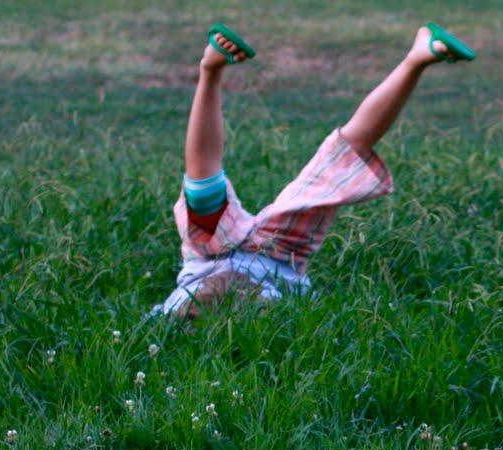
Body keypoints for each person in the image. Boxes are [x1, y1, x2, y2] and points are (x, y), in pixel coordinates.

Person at [150, 21, 475, 319]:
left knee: (202, 183)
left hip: (209, 257)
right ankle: (418, 57)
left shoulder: (169, 319)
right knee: (344, 157)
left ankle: (211, 67)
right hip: (278, 260)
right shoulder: (279, 311)